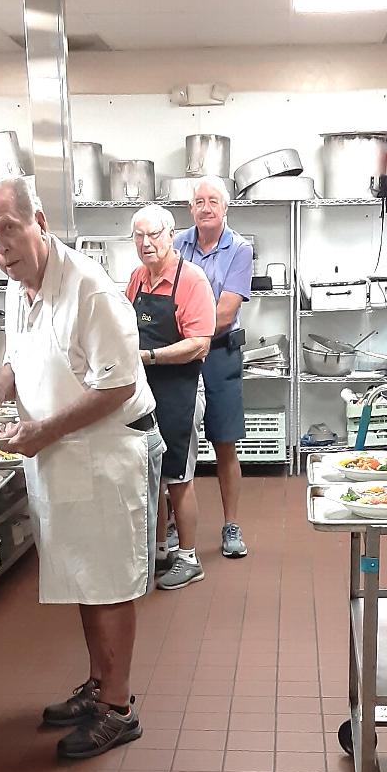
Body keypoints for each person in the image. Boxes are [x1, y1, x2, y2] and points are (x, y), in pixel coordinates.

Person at [0, 175, 164, 761]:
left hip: (107, 453)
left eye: (9, 229)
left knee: (109, 585)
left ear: (40, 223)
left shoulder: (90, 290)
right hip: (60, 455)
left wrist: (43, 429)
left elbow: (120, 383)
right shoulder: (18, 285)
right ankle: (99, 685)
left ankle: (120, 708)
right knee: (84, 576)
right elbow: (18, 354)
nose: (1, 246)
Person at [126, 205, 216, 591]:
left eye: (154, 235)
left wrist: (150, 356)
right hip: (143, 390)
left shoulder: (191, 281)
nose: (147, 243)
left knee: (178, 475)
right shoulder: (137, 279)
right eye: (139, 237)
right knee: (151, 473)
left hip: (179, 388)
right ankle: (160, 548)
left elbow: (199, 344)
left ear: (170, 234)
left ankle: (189, 556)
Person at [174, 175, 253, 559]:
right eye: (199, 201)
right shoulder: (176, 244)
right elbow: (164, 295)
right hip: (181, 356)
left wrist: (188, 334)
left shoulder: (239, 249)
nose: (205, 207)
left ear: (225, 207)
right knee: (174, 441)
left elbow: (226, 310)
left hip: (219, 353)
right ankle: (174, 527)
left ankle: (231, 525)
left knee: (224, 441)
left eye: (213, 201)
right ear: (191, 208)